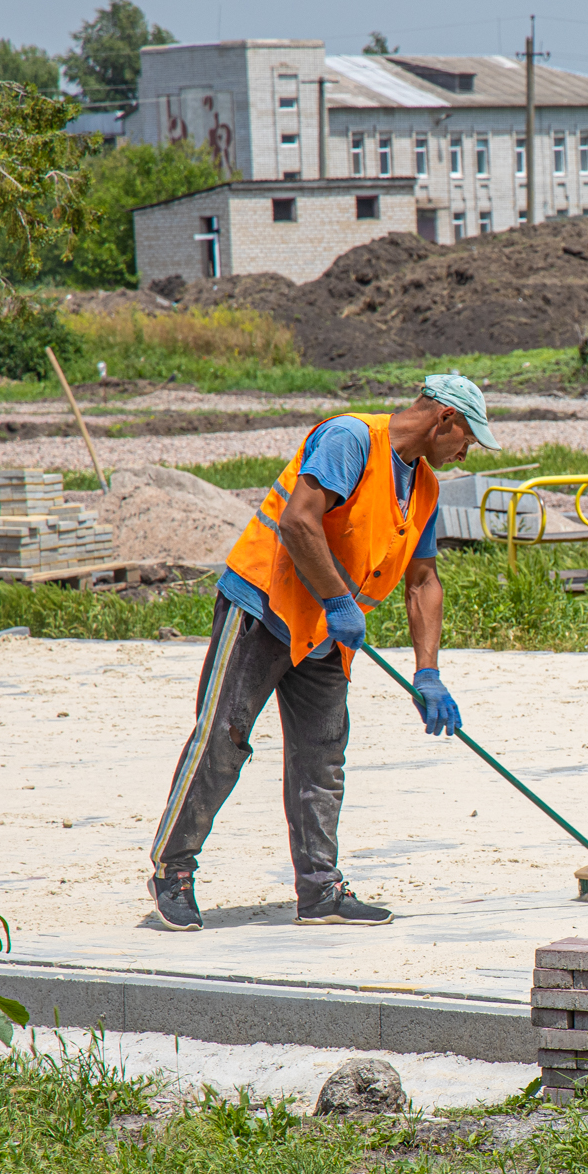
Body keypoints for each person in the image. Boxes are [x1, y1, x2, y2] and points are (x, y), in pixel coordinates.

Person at [147, 375, 501, 931]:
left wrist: (428, 671)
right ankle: (173, 869)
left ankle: (319, 890)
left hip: (326, 633)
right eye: (468, 438)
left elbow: (423, 580)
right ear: (444, 420)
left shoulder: (426, 487)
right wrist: (339, 599)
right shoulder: (351, 440)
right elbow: (297, 521)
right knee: (223, 737)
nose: (467, 450)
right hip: (266, 608)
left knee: (321, 756)